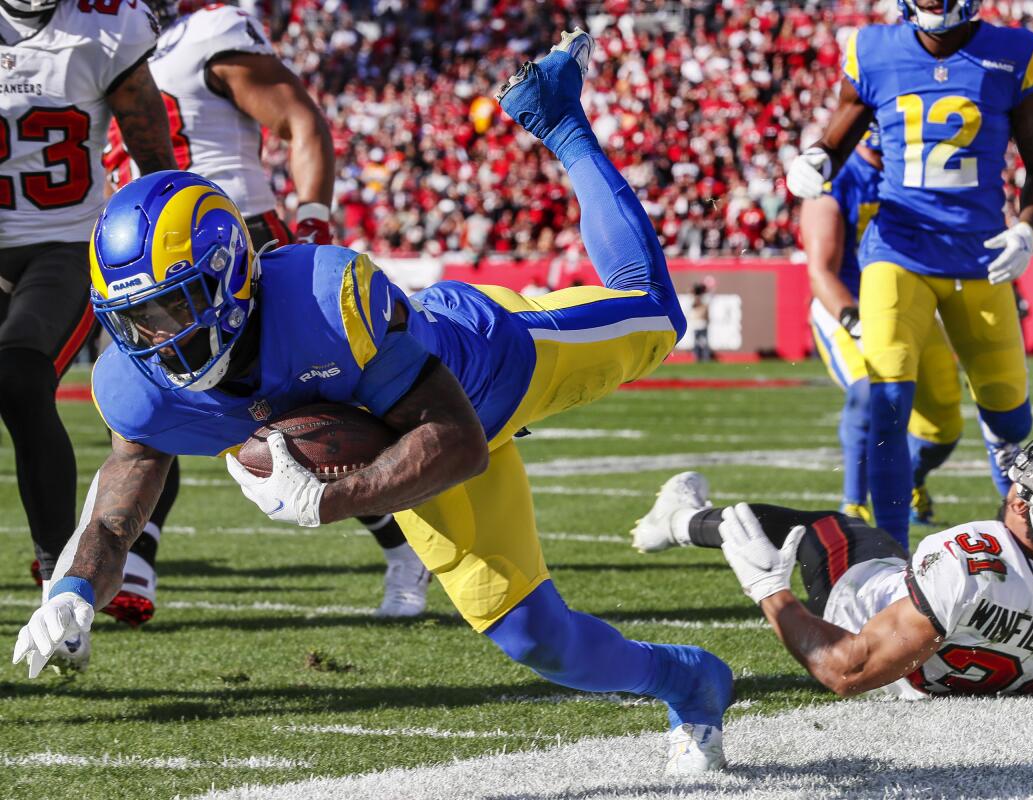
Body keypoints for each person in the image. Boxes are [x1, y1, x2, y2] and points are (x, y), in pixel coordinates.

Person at [13, 31, 733, 775]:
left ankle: (558, 118)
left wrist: (331, 500)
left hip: (485, 373)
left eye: (172, 308)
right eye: (137, 321)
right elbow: (111, 514)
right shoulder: (141, 380)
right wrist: (72, 590)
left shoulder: (326, 302)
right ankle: (692, 681)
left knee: (653, 314)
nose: (157, 340)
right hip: (413, 453)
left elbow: (456, 438)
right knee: (536, 640)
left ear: (229, 275)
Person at [102, 0, 428, 624]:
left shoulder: (206, 32)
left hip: (233, 243)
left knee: (304, 420)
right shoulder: (102, 42)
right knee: (154, 402)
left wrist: (313, 219)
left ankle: (403, 546)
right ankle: (133, 559)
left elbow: (300, 121)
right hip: (143, 268)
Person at [786, 0, 1033, 546]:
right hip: (898, 251)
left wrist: (1027, 227)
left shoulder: (1013, 51)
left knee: (1009, 417)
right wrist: (815, 159)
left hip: (979, 255)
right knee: (886, 400)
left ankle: (1028, 552)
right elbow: (839, 137)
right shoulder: (875, 50)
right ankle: (888, 555)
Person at [635, 421, 1033, 697]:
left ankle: (678, 521)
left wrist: (769, 590)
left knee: (819, 526)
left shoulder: (971, 563)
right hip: (952, 646)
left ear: (1030, 504)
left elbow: (844, 671)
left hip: (861, 608)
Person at [0, 0, 176, 625]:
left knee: (20, 378)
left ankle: (58, 577)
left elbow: (154, 154)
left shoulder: (104, 26)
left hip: (64, 244)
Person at [796, 128, 962, 526]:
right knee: (867, 392)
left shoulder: (914, 175)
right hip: (847, 306)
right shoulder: (836, 178)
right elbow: (821, 271)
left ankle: (912, 479)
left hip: (905, 303)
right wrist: (853, 319)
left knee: (945, 423)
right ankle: (853, 504)